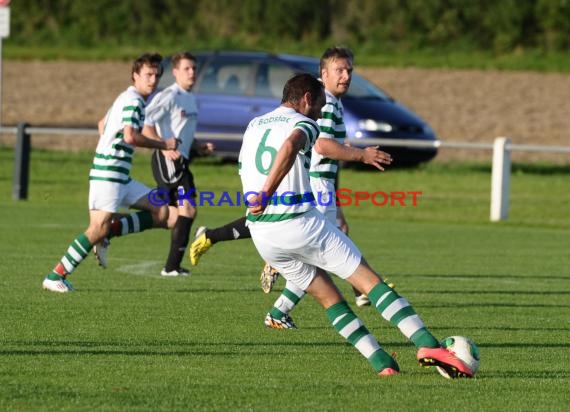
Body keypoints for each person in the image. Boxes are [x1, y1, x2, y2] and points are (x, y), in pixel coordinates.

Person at [239, 72, 473, 378]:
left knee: (329, 297)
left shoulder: (254, 125)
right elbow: (292, 145)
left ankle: (382, 363)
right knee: (370, 282)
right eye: (320, 105)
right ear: (306, 99)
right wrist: (269, 191)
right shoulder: (303, 123)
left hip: (262, 235)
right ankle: (428, 344)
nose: (322, 111)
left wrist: (261, 196)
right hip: (297, 222)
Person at [190, 47, 392, 327]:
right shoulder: (327, 104)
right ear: (324, 74)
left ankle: (283, 305)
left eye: (350, 71)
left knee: (323, 247)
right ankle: (350, 291)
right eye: (340, 70)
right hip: (315, 184)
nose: (346, 76)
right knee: (316, 252)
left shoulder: (335, 103)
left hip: (323, 185)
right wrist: (361, 154)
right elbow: (321, 145)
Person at [42, 53, 179, 293]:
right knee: (96, 228)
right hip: (109, 174)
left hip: (119, 175)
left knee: (164, 212)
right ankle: (56, 275)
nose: (153, 79)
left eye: (157, 74)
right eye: (148, 74)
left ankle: (108, 235)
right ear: (135, 76)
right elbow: (130, 136)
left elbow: (101, 124)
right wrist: (164, 145)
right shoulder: (134, 101)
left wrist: (109, 144)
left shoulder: (125, 97)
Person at [142, 51, 214, 277]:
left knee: (175, 214)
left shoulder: (190, 99)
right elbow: (146, 123)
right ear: (175, 72)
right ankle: (171, 266)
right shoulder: (170, 95)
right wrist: (164, 146)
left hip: (181, 161)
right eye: (186, 68)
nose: (192, 72)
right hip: (167, 161)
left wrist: (198, 146)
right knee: (183, 211)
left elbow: (183, 134)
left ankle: (172, 266)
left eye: (194, 68)